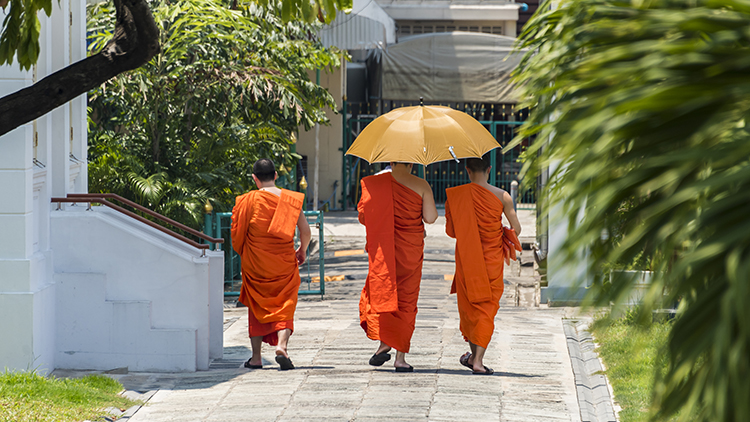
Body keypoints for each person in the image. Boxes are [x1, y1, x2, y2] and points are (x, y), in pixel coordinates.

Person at [445, 154, 522, 375]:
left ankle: (474, 359)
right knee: (486, 308)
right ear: (489, 170)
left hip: (467, 259)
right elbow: (517, 229)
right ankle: (477, 361)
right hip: (492, 260)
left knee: (470, 308)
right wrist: (500, 234)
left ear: (467, 170)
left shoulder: (456, 196)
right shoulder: (503, 196)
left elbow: (451, 232)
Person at [231, 158, 311, 371]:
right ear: (276, 175)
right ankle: (282, 347)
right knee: (285, 305)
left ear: (254, 178)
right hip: (283, 263)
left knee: (256, 307)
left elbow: (239, 234)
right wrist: (302, 250)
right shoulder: (290, 200)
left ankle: (256, 358)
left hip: (256, 264)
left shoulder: (248, 201)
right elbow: (305, 231)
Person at [358, 162, 438, 372]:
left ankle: (384, 343)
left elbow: (364, 216)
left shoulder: (373, 184)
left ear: (390, 161)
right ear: (412, 162)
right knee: (407, 300)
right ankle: (400, 358)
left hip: (384, 250)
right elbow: (430, 218)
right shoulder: (421, 185)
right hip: (410, 251)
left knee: (384, 292)